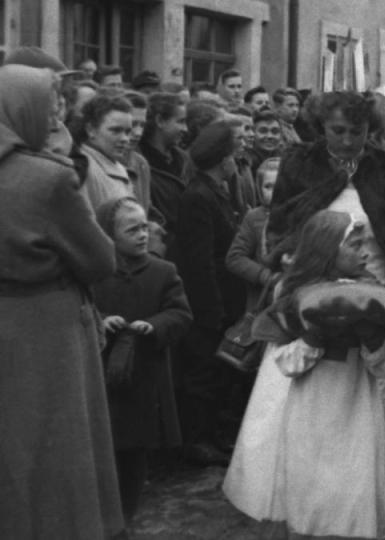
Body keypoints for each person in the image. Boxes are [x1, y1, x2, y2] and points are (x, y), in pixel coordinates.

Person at [0, 63, 124, 539]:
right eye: (49, 109)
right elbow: (100, 262)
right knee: (57, 447)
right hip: (45, 328)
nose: (55, 119)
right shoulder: (47, 178)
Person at [224, 210, 385, 539]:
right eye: (354, 245)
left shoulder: (372, 297)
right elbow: (284, 366)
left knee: (348, 494)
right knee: (305, 494)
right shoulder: (296, 299)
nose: (364, 253)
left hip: (353, 411)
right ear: (327, 249)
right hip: (305, 410)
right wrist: (313, 338)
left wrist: (375, 342)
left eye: (364, 245)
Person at [91, 197, 193, 521]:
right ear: (109, 234)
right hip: (103, 377)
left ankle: (126, 518)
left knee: (135, 453)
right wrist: (101, 321)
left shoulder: (163, 271)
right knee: (103, 450)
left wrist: (156, 325)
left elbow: (180, 313)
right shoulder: (94, 272)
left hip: (143, 380)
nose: (143, 235)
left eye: (145, 227)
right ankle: (103, 517)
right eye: (132, 229)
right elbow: (83, 308)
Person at [266, 91, 385, 284]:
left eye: (357, 132)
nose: (347, 141)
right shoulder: (299, 164)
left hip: (379, 285)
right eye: (338, 131)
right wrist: (284, 255)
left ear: (370, 128)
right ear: (322, 126)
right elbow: (279, 223)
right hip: (311, 287)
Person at [176, 121, 246, 464]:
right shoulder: (198, 197)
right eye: (234, 153)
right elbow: (198, 262)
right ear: (223, 159)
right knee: (201, 374)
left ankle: (211, 435)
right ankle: (196, 440)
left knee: (217, 374)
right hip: (208, 306)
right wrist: (210, 311)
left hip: (223, 302)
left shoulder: (216, 190)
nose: (238, 159)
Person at [226, 158, 280, 311]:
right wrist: (264, 276)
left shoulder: (300, 215)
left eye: (279, 186)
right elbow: (235, 258)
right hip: (262, 300)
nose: (274, 191)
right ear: (259, 189)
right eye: (268, 186)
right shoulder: (254, 218)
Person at [141, 92, 189, 256]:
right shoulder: (140, 165)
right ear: (160, 121)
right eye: (180, 122)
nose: (185, 129)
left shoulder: (184, 159)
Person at [78, 93, 137, 210]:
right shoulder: (82, 168)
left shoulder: (119, 167)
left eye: (128, 132)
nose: (125, 139)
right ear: (91, 130)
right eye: (116, 130)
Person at [247, 108, 282, 174]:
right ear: (252, 133)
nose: (270, 136)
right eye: (263, 131)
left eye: (275, 131)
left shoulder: (284, 160)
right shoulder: (246, 163)